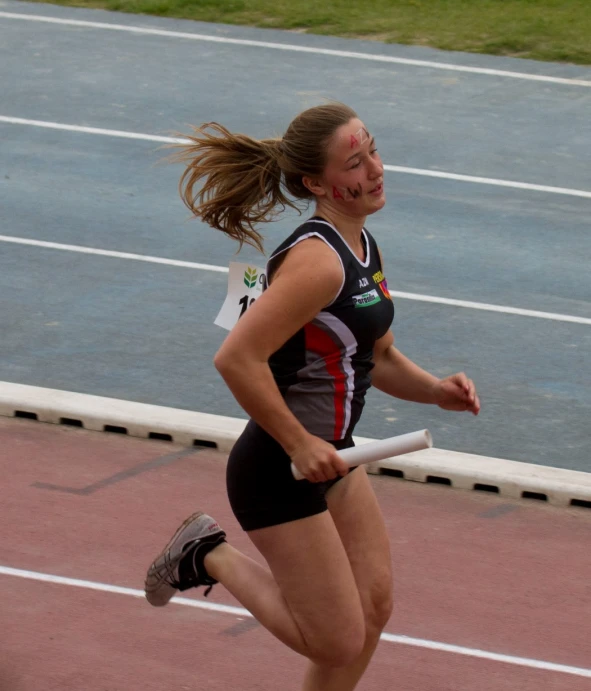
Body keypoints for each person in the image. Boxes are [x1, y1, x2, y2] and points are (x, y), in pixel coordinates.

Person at [144, 102, 480, 690]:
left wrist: (434, 391)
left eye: (373, 149)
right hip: (280, 468)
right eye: (356, 162)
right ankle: (204, 553)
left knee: (373, 611)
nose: (375, 168)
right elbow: (236, 359)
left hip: (336, 456)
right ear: (316, 184)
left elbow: (379, 355)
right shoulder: (317, 263)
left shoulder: (363, 247)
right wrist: (298, 443)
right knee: (336, 638)